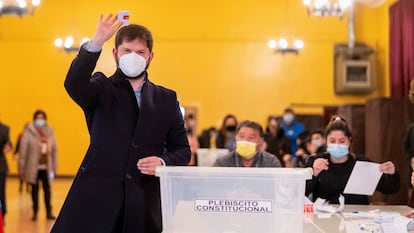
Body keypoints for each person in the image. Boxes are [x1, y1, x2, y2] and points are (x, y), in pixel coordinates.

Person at [51, 14, 191, 233]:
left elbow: (182, 150)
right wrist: (96, 42)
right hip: (96, 198)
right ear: (115, 53)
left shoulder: (166, 98)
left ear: (150, 56)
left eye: (140, 52)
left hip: (143, 200)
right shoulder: (100, 88)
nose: (133, 56)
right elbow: (73, 84)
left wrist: (163, 162)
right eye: (127, 50)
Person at [305, 115, 400, 205]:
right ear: (326, 141)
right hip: (323, 217)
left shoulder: (362, 163)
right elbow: (302, 192)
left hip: (357, 217)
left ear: (349, 141)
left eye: (342, 141)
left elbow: (390, 189)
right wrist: (314, 173)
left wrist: (391, 174)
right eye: (332, 141)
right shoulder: (315, 161)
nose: (337, 144)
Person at [18, 110, 57, 221]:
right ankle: (35, 212)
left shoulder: (50, 132)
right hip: (33, 167)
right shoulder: (29, 131)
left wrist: (54, 166)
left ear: (45, 119)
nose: (40, 120)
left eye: (42, 117)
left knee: (47, 190)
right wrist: (21, 166)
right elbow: (23, 149)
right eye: (38, 117)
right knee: (34, 190)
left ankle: (49, 211)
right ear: (34, 118)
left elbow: (54, 150)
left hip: (46, 167)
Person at [213, 120, 282, 167]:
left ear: (261, 142)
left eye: (251, 137)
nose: (245, 140)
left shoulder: (271, 162)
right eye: (242, 136)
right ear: (236, 138)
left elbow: (277, 187)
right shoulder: (222, 163)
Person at [0, 119, 11, 220]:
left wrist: (8, 147)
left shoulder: (5, 129)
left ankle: (2, 214)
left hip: (1, 166)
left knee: (1, 192)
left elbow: (9, 144)